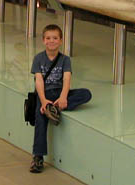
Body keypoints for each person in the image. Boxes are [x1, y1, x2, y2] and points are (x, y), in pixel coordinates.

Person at [29, 24, 92, 173]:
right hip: (44, 94)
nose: (52, 41)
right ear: (43, 40)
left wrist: (63, 97)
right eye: (48, 38)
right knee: (40, 119)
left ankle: (55, 108)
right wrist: (43, 101)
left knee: (86, 94)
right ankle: (38, 157)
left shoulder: (65, 59)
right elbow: (38, 81)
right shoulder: (38, 58)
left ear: (61, 41)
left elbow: (67, 79)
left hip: (59, 93)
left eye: (55, 38)